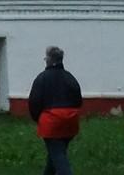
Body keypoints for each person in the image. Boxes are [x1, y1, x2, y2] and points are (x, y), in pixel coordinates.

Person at [29, 44, 84, 175]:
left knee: (59, 159)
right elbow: (78, 100)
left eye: (45, 57)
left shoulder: (42, 78)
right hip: (70, 122)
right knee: (55, 155)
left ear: (49, 59)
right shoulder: (69, 77)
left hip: (51, 122)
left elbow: (34, 102)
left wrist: (38, 119)